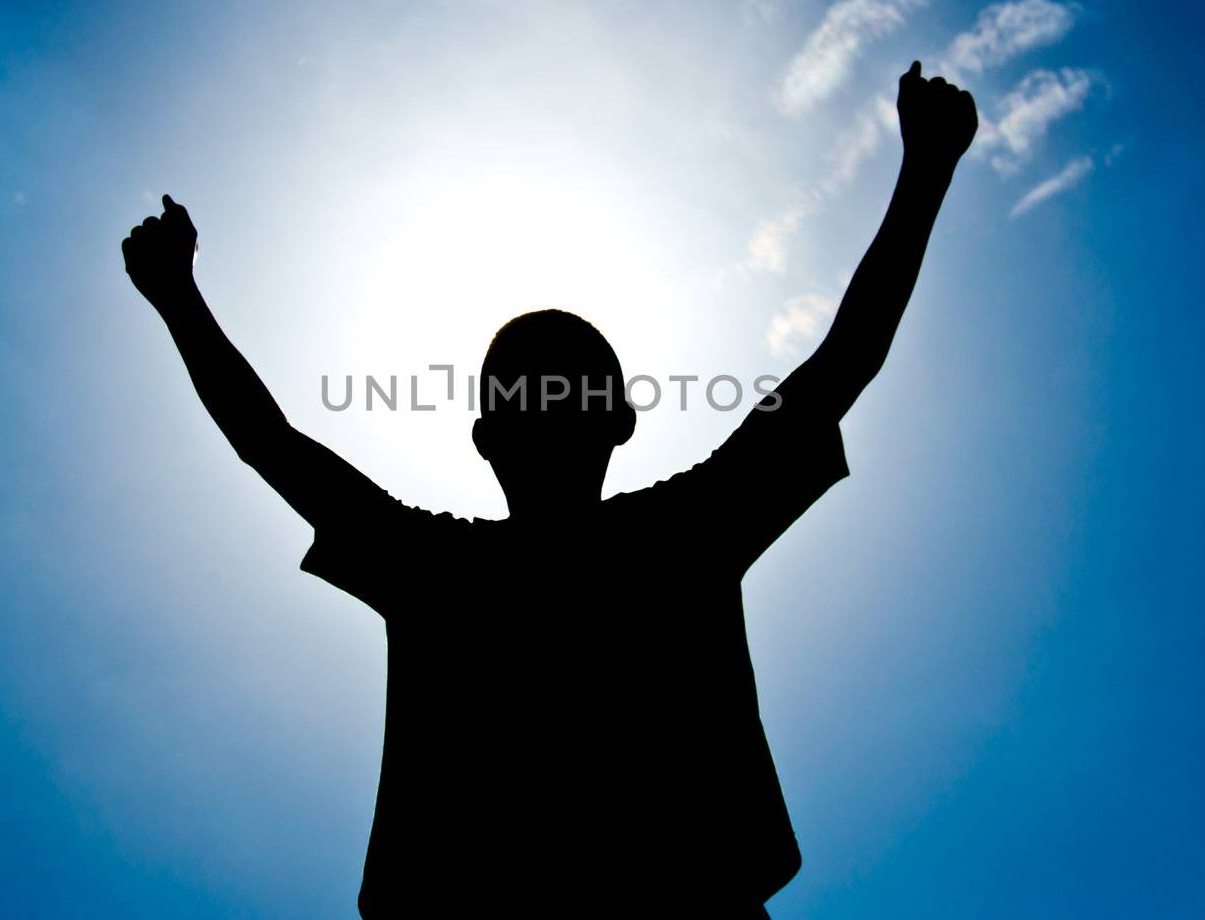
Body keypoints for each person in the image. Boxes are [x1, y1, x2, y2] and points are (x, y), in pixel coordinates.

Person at [121, 61, 978, 917]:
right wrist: (178, 302)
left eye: (569, 384)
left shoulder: (504, 556)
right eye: (531, 387)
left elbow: (840, 366)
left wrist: (927, 170)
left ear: (615, 421)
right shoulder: (643, 537)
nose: (549, 400)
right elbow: (269, 445)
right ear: (495, 438)